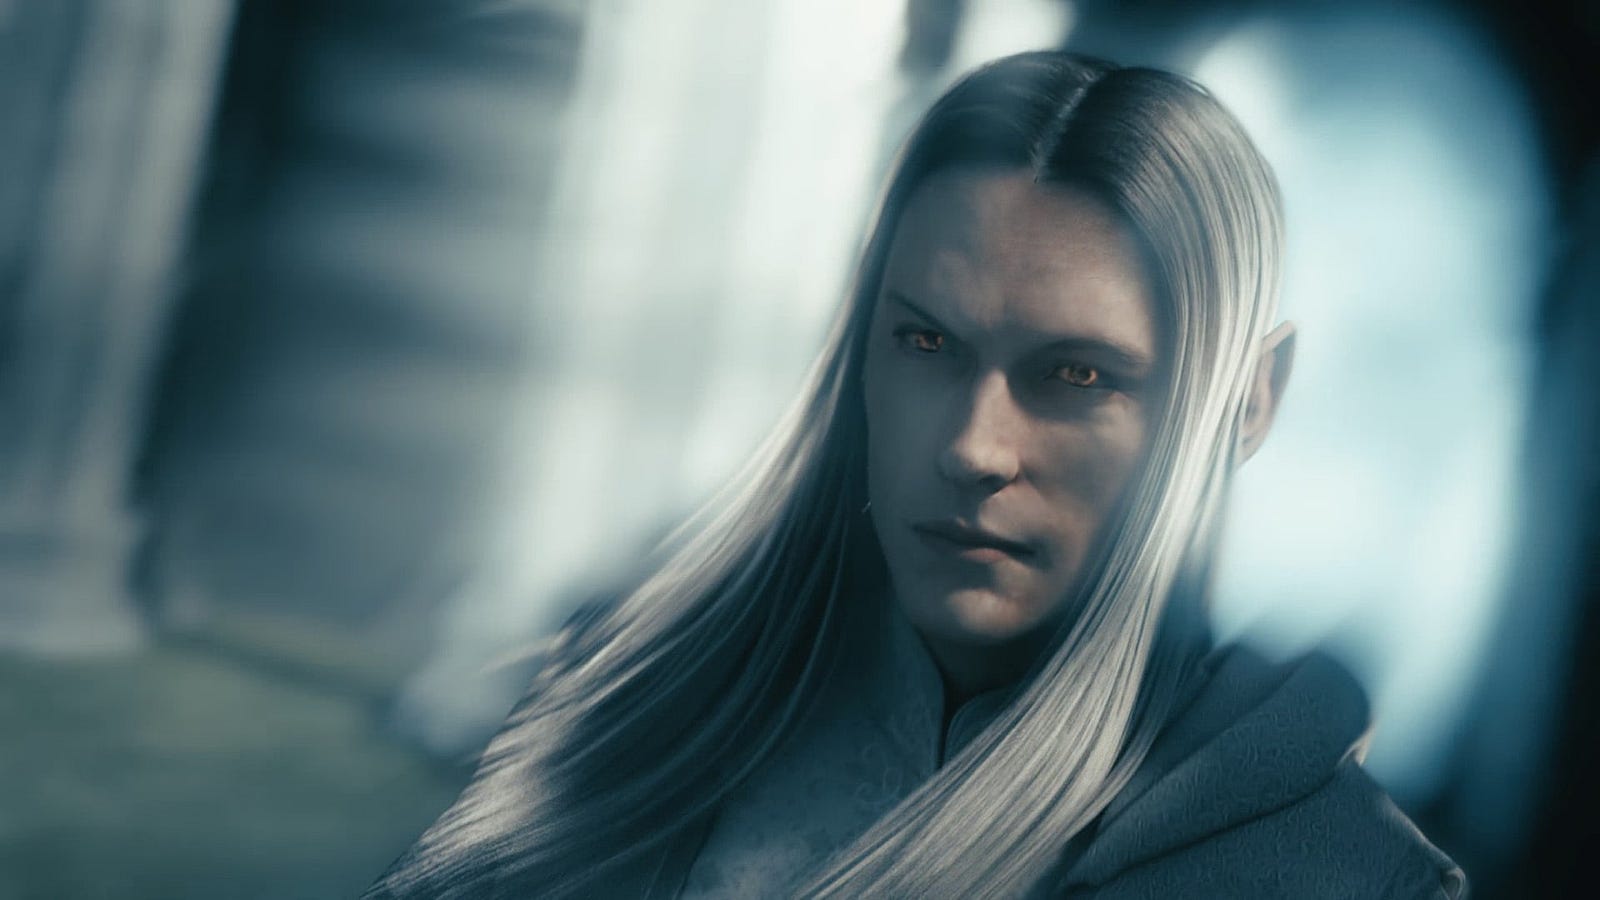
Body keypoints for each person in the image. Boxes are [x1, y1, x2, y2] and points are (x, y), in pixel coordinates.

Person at [366, 51, 1466, 898]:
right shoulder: (624, 703)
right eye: (927, 342)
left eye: (1077, 374)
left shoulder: (1334, 879)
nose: (974, 447)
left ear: (1249, 400)